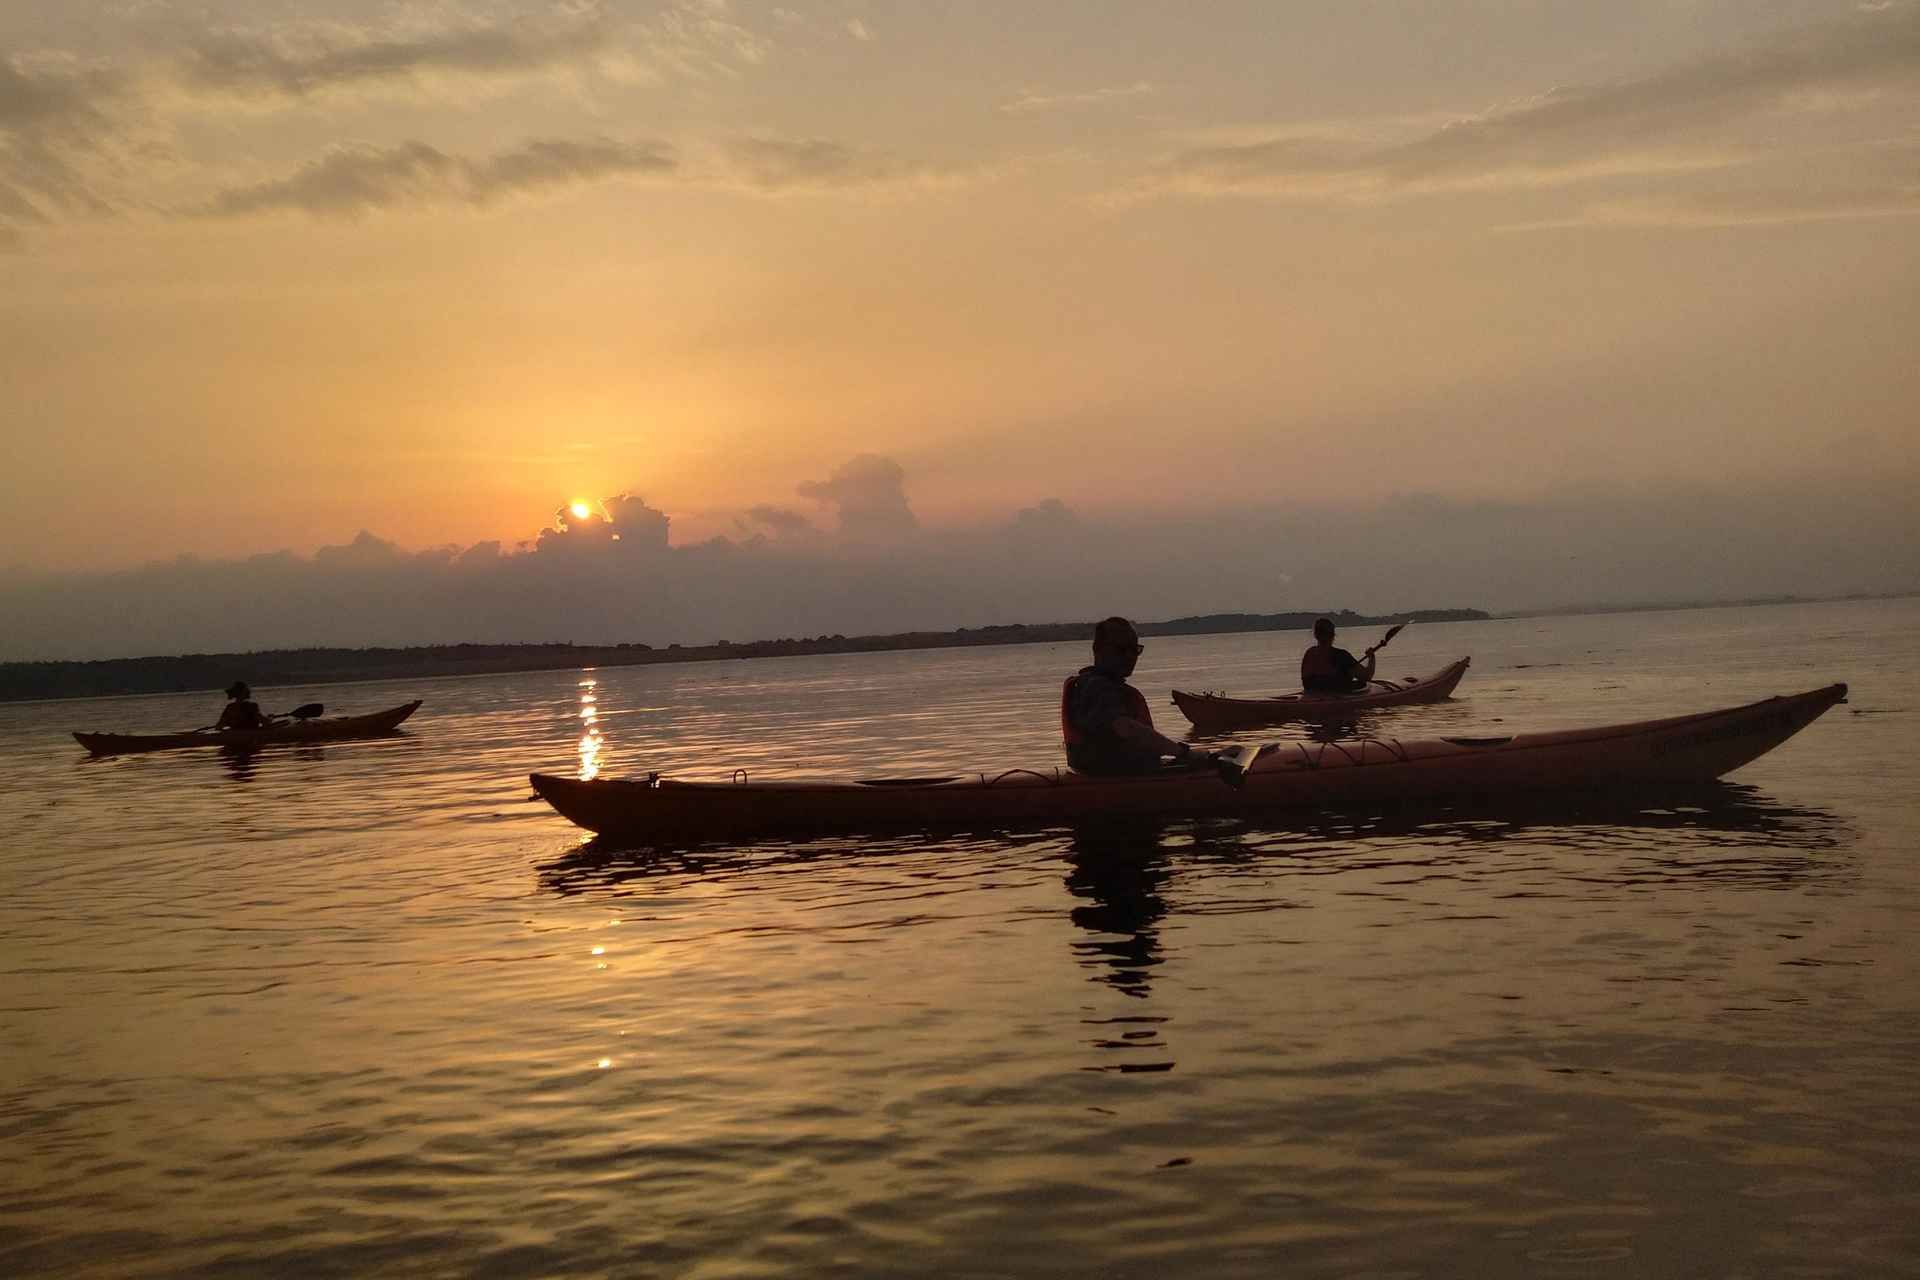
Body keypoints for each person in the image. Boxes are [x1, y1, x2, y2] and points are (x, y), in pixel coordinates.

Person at [1062, 617, 1211, 775]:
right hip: (1113, 777)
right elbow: (1125, 727)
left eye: (1134, 650)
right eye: (1121, 650)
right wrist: (1183, 753)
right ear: (1097, 649)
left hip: (1118, 770)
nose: (1129, 656)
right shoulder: (1097, 688)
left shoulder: (1101, 685)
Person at [1299, 617, 1377, 694]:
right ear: (1333, 635)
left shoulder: (1309, 653)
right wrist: (1371, 657)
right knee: (1362, 683)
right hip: (1335, 695)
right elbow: (1367, 676)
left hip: (1312, 694)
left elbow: (1307, 682)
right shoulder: (1341, 656)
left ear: (1315, 635)